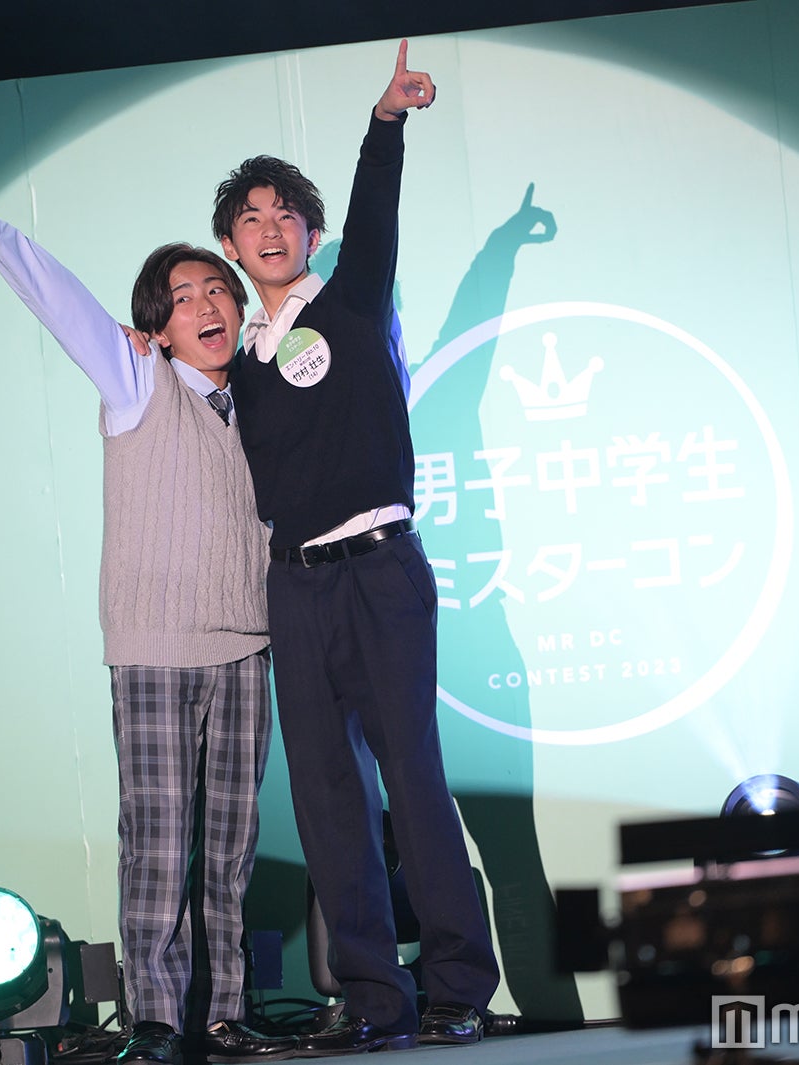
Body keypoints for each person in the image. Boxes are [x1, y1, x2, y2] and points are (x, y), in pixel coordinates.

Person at [0, 178, 293, 1065]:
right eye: (184, 298)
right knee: (159, 841)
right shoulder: (138, 379)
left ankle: (223, 1012)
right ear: (158, 327)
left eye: (217, 290)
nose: (206, 306)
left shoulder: (261, 400)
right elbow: (66, 308)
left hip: (246, 646)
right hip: (155, 650)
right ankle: (156, 1019)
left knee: (230, 846)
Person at [210, 41, 500, 1055]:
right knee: (328, 801)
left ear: (312, 231)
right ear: (232, 247)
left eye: (285, 212)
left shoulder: (350, 298)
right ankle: (375, 999)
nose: (269, 227)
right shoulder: (238, 361)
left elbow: (378, 214)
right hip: (294, 591)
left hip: (379, 569)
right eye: (251, 218)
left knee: (413, 780)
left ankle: (459, 987)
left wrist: (386, 123)